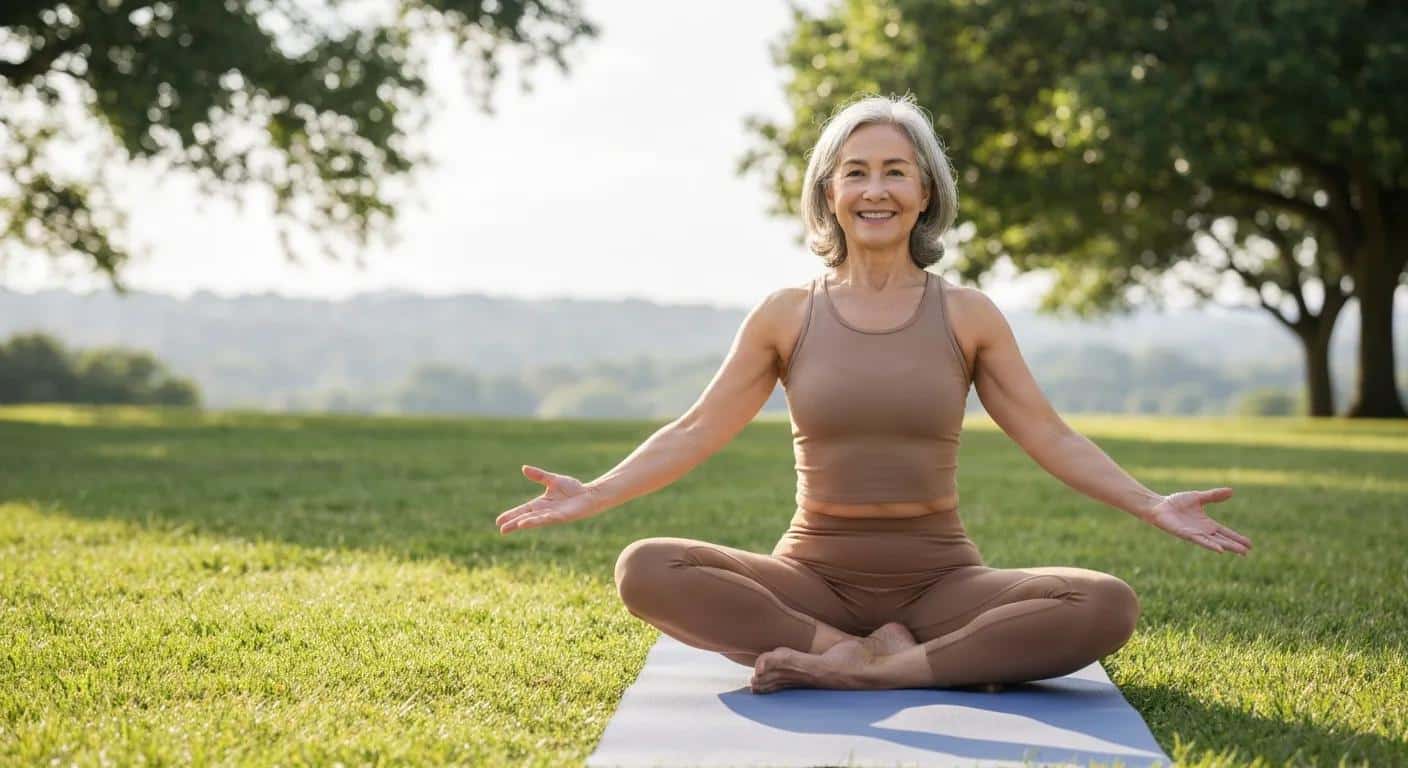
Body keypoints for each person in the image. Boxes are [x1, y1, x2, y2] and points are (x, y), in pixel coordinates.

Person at [494, 93, 1253, 695]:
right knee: (645, 568)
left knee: (1105, 604)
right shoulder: (785, 314)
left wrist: (1150, 502)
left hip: (942, 581)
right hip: (810, 577)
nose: (875, 189)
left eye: (895, 170)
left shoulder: (968, 315)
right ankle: (855, 652)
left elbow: (1050, 435)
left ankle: (882, 668)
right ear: (830, 192)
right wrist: (595, 493)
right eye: (856, 171)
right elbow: (697, 428)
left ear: (927, 191)